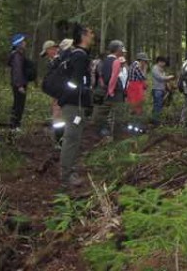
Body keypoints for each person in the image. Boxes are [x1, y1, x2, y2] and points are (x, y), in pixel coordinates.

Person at [58, 24, 95, 189]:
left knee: (74, 138)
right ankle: (66, 175)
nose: (93, 35)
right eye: (91, 33)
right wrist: (81, 96)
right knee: (72, 138)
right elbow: (75, 82)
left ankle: (70, 170)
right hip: (74, 104)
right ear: (83, 35)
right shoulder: (79, 56)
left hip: (76, 103)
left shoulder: (79, 55)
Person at [93, 40, 128, 138]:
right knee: (118, 115)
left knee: (103, 113)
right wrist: (111, 91)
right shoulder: (115, 61)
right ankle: (116, 137)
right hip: (114, 92)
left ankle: (102, 133)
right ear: (117, 49)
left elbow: (102, 77)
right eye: (121, 49)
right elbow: (112, 78)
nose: (122, 52)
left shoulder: (105, 61)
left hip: (107, 91)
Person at [7, 33, 28, 131]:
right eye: (23, 41)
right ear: (19, 44)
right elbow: (17, 71)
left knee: (18, 104)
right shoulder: (16, 56)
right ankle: (15, 126)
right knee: (18, 105)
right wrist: (20, 85)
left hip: (18, 83)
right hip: (19, 84)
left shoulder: (18, 55)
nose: (25, 43)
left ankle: (14, 125)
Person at [40, 40, 62, 132]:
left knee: (58, 111)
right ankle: (57, 130)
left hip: (60, 92)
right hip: (55, 92)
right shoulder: (52, 62)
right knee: (55, 109)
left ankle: (59, 133)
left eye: (46, 53)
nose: (47, 56)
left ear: (51, 49)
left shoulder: (60, 61)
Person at [126, 52, 150, 132]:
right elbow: (143, 77)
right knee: (138, 108)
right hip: (136, 89)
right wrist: (145, 69)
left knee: (133, 107)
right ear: (141, 60)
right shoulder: (137, 66)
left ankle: (131, 127)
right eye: (145, 61)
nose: (145, 63)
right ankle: (138, 128)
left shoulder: (132, 65)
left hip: (132, 88)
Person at [151, 56, 174, 126]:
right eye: (163, 62)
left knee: (159, 105)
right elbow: (160, 78)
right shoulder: (155, 68)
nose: (164, 64)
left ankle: (155, 120)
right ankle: (156, 122)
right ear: (159, 62)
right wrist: (169, 77)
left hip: (161, 89)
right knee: (157, 106)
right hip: (157, 90)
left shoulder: (161, 69)